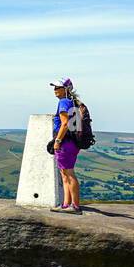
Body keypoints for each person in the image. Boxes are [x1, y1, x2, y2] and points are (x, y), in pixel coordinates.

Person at [48, 77, 83, 213]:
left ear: (66, 89)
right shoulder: (72, 102)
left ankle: (74, 206)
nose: (55, 90)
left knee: (68, 173)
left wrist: (57, 141)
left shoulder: (63, 102)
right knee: (65, 173)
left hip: (65, 142)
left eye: (58, 87)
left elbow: (64, 123)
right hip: (73, 142)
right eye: (54, 88)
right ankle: (66, 204)